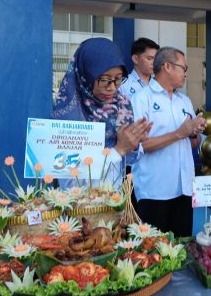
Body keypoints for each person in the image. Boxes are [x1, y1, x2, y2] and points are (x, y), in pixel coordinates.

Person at [52, 38, 151, 187]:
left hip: (115, 199)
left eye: (118, 79)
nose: (112, 88)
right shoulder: (67, 111)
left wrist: (134, 143)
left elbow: (129, 159)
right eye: (105, 80)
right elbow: (69, 178)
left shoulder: (121, 105)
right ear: (87, 75)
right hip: (79, 205)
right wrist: (118, 150)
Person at [131, 47, 206, 237]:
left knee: (181, 250)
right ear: (167, 66)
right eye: (184, 68)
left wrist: (194, 133)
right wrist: (180, 133)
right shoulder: (142, 99)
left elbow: (191, 144)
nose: (186, 74)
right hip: (155, 190)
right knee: (153, 252)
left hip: (184, 188)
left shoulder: (184, 101)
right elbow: (139, 146)